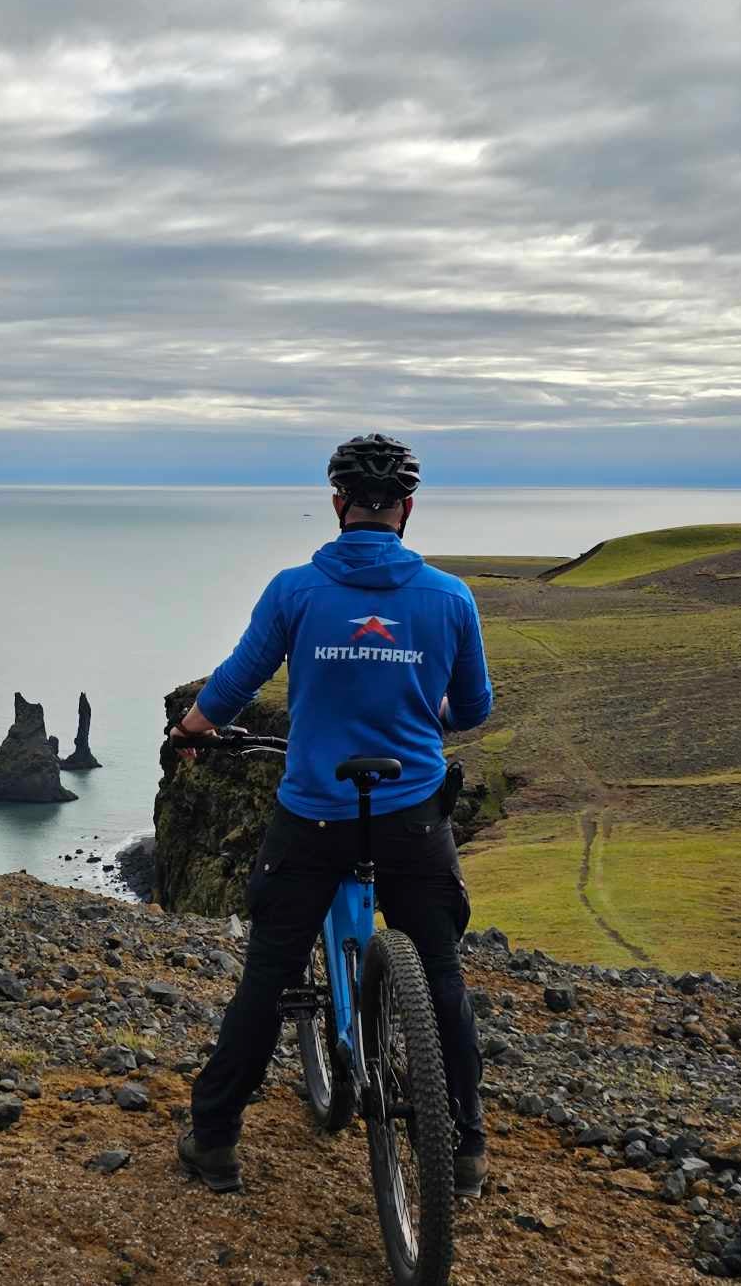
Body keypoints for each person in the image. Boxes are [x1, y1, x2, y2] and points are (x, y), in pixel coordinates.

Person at [169, 432, 492, 1197]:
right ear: (408, 509)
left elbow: (236, 684)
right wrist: (424, 708)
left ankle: (214, 1142)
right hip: (411, 810)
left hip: (314, 811)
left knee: (267, 977)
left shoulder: (296, 589)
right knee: (442, 975)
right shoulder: (449, 597)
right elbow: (473, 707)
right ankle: (470, 1149)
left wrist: (190, 731)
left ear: (339, 505)